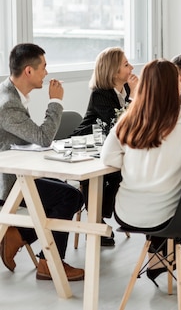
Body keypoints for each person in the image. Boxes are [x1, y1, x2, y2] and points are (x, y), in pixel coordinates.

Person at [100, 59, 181, 285]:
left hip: (126, 213)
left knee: (167, 195)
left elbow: (108, 157)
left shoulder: (128, 117)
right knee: (180, 196)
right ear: (174, 85)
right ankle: (160, 252)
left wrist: (137, 163)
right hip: (169, 215)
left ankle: (157, 252)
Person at [0, 43, 84, 281]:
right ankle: (49, 263)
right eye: (43, 67)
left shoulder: (13, 95)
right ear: (29, 71)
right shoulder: (7, 104)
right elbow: (43, 137)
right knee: (69, 196)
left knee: (72, 194)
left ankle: (18, 236)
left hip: (22, 173)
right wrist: (55, 102)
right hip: (10, 183)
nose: (46, 72)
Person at [71, 47, 138, 246]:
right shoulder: (100, 94)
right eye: (126, 65)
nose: (132, 68)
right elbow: (117, 124)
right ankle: (97, 220)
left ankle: (99, 216)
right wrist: (134, 97)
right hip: (86, 144)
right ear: (113, 72)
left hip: (106, 145)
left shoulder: (124, 89)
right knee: (112, 172)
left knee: (125, 171)